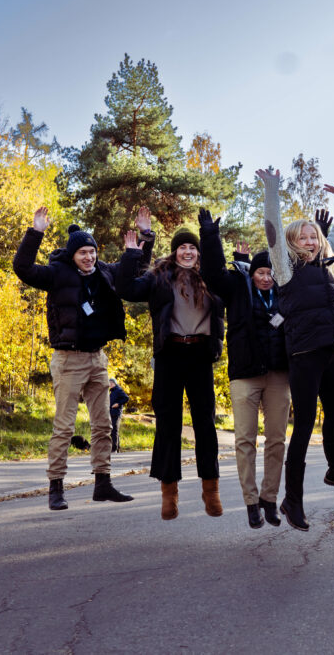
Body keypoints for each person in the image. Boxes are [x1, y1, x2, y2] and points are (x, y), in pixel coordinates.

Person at [12, 206, 153, 510]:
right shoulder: (57, 275)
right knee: (64, 426)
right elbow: (22, 267)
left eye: (92, 251)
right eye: (83, 253)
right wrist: (35, 232)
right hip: (68, 360)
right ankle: (56, 488)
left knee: (103, 425)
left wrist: (146, 237)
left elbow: (134, 272)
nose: (88, 257)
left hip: (97, 359)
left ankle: (102, 483)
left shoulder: (103, 272)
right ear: (73, 255)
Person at [257, 168, 334, 533]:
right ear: (291, 243)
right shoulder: (285, 269)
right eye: (302, 237)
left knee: (333, 416)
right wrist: (272, 189)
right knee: (303, 427)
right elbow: (272, 226)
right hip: (303, 355)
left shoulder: (328, 264)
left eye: (312, 236)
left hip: (330, 350)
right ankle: (293, 499)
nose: (309, 240)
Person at [116, 222, 226, 520]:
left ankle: (210, 489)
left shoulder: (212, 278)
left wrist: (214, 241)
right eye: (182, 247)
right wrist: (131, 254)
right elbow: (126, 288)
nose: (188, 251)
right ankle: (169, 492)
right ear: (175, 252)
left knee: (205, 422)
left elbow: (231, 283)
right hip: (170, 354)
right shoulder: (158, 277)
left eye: (192, 247)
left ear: (198, 253)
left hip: (200, 355)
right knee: (168, 424)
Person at [200, 214, 291, 530]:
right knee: (245, 440)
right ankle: (251, 502)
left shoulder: (284, 295)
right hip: (245, 375)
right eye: (260, 272)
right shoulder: (238, 291)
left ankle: (269, 498)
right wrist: (210, 235)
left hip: (279, 376)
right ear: (252, 274)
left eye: (270, 273)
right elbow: (212, 273)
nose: (266, 277)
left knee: (277, 439)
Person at [108, 378, 129, 452]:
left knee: (114, 430)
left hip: (116, 413)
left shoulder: (118, 390)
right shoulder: (112, 391)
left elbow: (126, 398)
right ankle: (117, 447)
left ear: (114, 383)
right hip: (111, 413)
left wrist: (118, 404)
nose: (110, 384)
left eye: (111, 382)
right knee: (113, 431)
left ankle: (114, 449)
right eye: (109, 383)